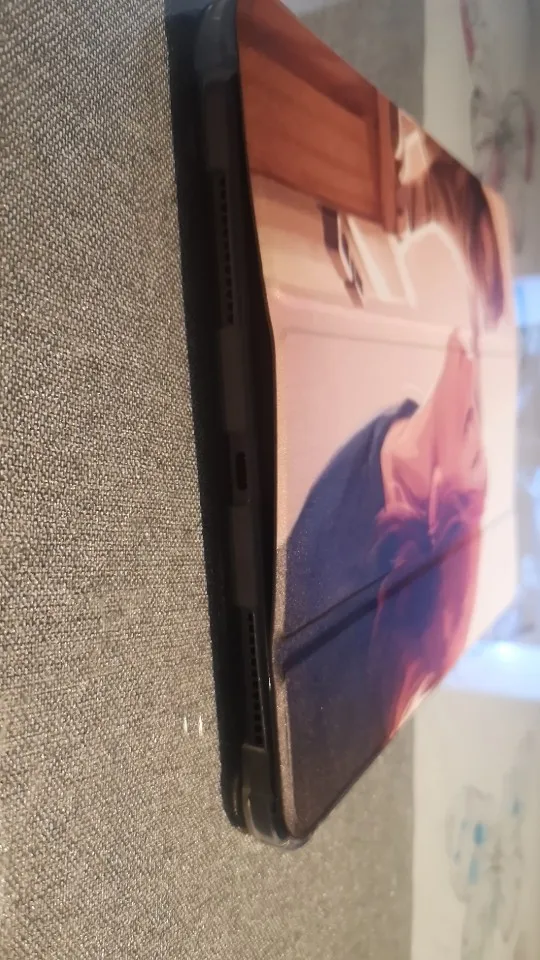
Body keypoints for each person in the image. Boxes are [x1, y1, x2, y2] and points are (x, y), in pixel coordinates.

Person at [281, 327, 487, 742]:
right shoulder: (385, 450)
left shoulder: (343, 563)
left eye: (473, 447)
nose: (476, 423)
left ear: (435, 499)